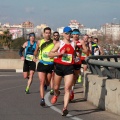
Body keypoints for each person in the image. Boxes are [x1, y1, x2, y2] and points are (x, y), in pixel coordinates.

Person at [48, 26, 75, 116]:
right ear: (63, 34)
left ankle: (65, 108)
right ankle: (56, 94)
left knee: (67, 88)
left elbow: (74, 53)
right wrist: (59, 53)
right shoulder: (60, 43)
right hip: (59, 67)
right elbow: (50, 54)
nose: (68, 35)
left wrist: (76, 58)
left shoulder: (73, 43)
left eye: (70, 33)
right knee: (56, 87)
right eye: (67, 33)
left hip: (69, 68)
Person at [34, 27, 54, 106]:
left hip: (50, 64)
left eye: (49, 33)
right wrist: (35, 54)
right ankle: (42, 99)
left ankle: (46, 85)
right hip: (42, 63)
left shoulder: (54, 43)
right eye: (46, 33)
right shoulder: (39, 42)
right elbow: (36, 52)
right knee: (41, 81)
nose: (48, 34)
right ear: (43, 33)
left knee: (48, 82)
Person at [70, 29, 87, 101]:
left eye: (77, 34)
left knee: (74, 77)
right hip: (69, 62)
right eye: (74, 34)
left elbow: (86, 51)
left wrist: (80, 49)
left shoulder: (81, 42)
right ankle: (69, 91)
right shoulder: (69, 41)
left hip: (77, 62)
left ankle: (72, 90)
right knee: (69, 76)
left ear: (79, 35)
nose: (75, 36)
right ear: (72, 35)